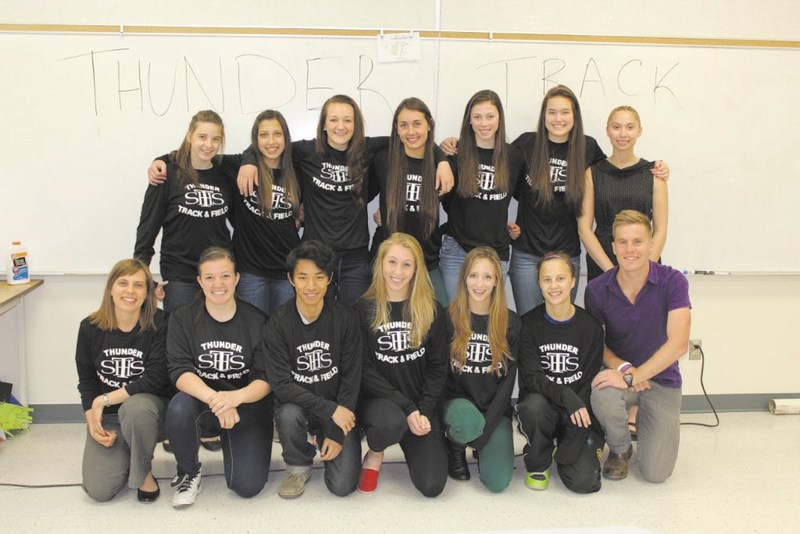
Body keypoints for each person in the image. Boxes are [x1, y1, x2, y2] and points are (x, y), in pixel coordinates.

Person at [237, 95, 453, 307]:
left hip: (355, 259)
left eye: (347, 120)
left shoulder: (368, 150)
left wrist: (442, 160)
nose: (340, 126)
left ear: (356, 124)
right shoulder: (306, 152)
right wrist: (249, 160)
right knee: (319, 321)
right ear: (323, 124)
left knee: (357, 320)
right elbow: (271, 146)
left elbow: (410, 139)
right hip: (316, 256)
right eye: (333, 120)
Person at [507, 86, 669, 315]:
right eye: (552, 112)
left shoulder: (588, 148)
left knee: (562, 323)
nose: (558, 119)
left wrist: (660, 169)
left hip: (567, 253)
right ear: (544, 115)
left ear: (575, 116)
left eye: (565, 112)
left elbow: (617, 172)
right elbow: (499, 178)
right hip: (526, 253)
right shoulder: (526, 144)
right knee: (528, 324)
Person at [149, 110, 301, 315]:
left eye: (278, 134)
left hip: (286, 271)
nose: (271, 141)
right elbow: (199, 156)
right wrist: (162, 159)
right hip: (250, 272)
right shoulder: (235, 166)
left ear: (286, 137)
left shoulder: (298, 169)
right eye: (263, 135)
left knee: (283, 334)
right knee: (253, 333)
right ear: (255, 139)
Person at [587, 210, 691, 483]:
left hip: (662, 380)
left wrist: (635, 376)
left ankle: (646, 420)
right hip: (622, 374)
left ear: (651, 245)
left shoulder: (673, 282)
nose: (629, 249)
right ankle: (620, 449)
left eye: (637, 241)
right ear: (613, 246)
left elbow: (679, 344)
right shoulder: (597, 289)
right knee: (602, 393)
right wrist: (623, 369)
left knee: (656, 474)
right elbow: (597, 345)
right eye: (622, 242)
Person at [165, 247, 273, 508]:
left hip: (246, 405)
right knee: (179, 406)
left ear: (237, 278)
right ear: (200, 281)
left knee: (246, 487)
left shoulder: (258, 320)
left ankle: (235, 443)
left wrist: (235, 398)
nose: (218, 284)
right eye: (210, 278)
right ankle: (189, 471)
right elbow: (179, 372)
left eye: (225, 276)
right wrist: (216, 399)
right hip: (202, 402)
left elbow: (266, 378)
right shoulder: (182, 318)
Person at [264, 240, 363, 498]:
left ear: (329, 279)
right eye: (303, 277)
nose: (311, 286)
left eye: (319, 277)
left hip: (338, 409)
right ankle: (298, 465)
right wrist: (330, 410)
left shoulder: (347, 319)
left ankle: (324, 437)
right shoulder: (277, 324)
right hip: (303, 407)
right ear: (291, 279)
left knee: (342, 486)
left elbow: (352, 379)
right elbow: (282, 386)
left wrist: (336, 432)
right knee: (287, 414)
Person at [354, 232, 449, 497]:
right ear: (380, 264)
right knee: (389, 423)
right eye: (392, 262)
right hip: (381, 405)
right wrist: (406, 408)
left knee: (432, 486)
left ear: (417, 269)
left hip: (420, 406)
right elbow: (364, 371)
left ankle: (411, 438)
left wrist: (424, 410)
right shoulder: (362, 310)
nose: (398, 271)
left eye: (407, 264)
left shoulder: (431, 309)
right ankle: (375, 451)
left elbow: (438, 367)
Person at [76, 258, 170, 503]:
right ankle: (131, 451)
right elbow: (86, 380)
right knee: (99, 490)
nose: (130, 291)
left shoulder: (161, 323)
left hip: (149, 413)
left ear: (148, 292)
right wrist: (93, 422)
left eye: (139, 285)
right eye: (123, 283)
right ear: (110, 289)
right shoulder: (89, 327)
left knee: (135, 407)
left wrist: (103, 400)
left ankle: (143, 473)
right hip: (109, 417)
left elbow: (156, 378)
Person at [514, 251, 605, 493]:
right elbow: (532, 377)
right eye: (547, 279)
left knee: (585, 483)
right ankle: (538, 459)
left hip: (578, 410)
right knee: (533, 407)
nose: (554, 286)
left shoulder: (591, 327)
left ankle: (564, 446)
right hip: (544, 405)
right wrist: (566, 396)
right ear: (539, 284)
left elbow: (589, 382)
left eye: (560, 278)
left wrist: (572, 441)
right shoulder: (528, 325)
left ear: (573, 281)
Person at [135, 110, 236, 312]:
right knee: (181, 337)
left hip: (217, 274)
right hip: (179, 273)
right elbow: (148, 227)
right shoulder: (167, 173)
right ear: (190, 136)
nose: (208, 145)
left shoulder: (225, 173)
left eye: (215, 139)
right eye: (202, 137)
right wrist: (141, 275)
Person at [438, 90, 527, 303]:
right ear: (469, 120)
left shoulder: (514, 156)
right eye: (477, 117)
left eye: (490, 116)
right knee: (455, 319)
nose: (483, 123)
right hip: (456, 250)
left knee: (486, 322)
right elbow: (447, 202)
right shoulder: (455, 154)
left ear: (499, 119)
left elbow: (524, 197)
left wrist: (505, 224)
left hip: (496, 253)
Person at [444, 246, 521, 493]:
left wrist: (487, 428)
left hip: (494, 407)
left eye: (487, 276)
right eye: (473, 275)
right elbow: (440, 376)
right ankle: (455, 446)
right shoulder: (448, 318)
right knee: (468, 423)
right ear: (464, 278)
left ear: (497, 281)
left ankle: (479, 438)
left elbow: (508, 384)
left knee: (497, 482)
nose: (480, 283)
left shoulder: (512, 322)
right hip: (458, 403)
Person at [371, 97, 450, 304]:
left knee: (440, 317)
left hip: (427, 262)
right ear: (396, 129)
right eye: (403, 125)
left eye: (417, 124)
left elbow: (461, 209)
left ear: (429, 125)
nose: (411, 132)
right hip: (388, 263)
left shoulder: (443, 166)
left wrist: (441, 157)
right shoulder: (383, 160)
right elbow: (360, 196)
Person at [578, 105, 668, 281]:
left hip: (644, 261)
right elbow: (584, 229)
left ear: (639, 131)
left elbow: (661, 230)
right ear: (608, 130)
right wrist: (612, 273)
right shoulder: (592, 173)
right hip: (603, 262)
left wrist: (643, 271)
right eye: (616, 127)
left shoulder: (655, 174)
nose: (623, 134)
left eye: (630, 127)